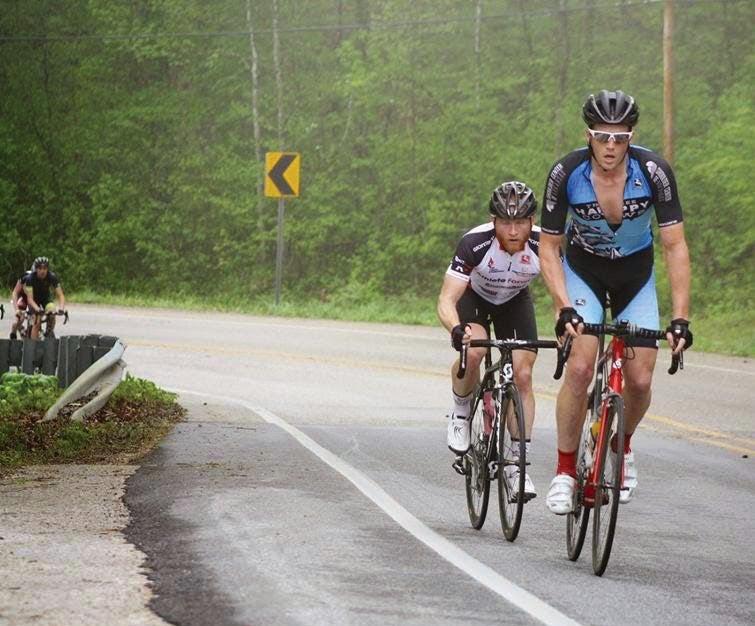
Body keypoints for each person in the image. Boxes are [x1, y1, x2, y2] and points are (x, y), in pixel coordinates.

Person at [538, 90, 692, 514]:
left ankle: (620, 446)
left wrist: (680, 317)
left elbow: (675, 246)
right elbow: (548, 249)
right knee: (581, 367)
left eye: (620, 138)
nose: (610, 146)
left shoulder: (654, 172)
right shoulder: (566, 173)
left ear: (631, 136)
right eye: (602, 136)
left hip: (635, 276)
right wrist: (563, 304)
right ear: (587, 135)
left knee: (641, 380)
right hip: (583, 272)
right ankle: (566, 472)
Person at [437, 181, 545, 500]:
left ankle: (516, 465)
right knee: (476, 348)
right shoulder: (475, 242)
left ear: (532, 221)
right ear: (493, 220)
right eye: (505, 222)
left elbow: (563, 292)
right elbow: (446, 299)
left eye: (520, 222)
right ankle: (460, 409)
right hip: (474, 298)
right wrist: (457, 328)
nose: (513, 231)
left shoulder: (544, 245)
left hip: (514, 301)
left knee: (523, 375)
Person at [23, 257, 66, 340]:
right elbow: (30, 299)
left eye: (45, 268)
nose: (42, 271)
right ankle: (33, 346)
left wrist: (61, 309)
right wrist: (37, 309)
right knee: (37, 321)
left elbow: (61, 295)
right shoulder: (30, 278)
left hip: (45, 298)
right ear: (36, 269)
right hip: (33, 300)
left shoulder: (52, 276)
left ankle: (49, 333)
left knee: (52, 312)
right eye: (40, 268)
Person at [9, 265, 34, 339]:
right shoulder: (25, 277)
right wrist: (17, 310)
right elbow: (15, 292)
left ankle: (28, 334)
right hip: (23, 296)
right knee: (20, 318)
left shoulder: (42, 278)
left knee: (35, 318)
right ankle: (14, 330)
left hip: (33, 297)